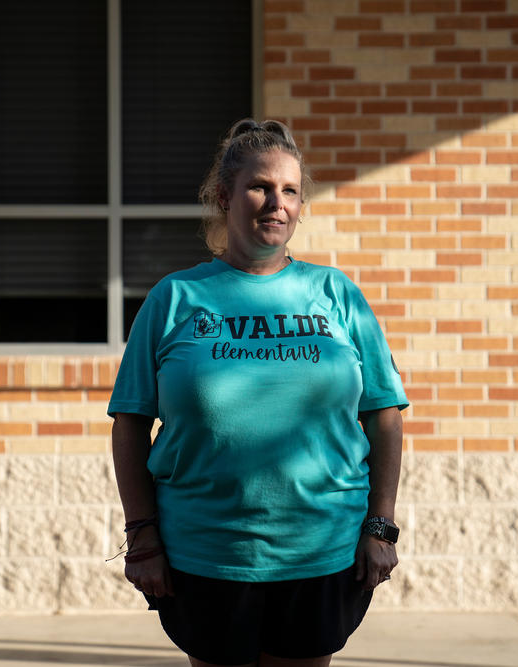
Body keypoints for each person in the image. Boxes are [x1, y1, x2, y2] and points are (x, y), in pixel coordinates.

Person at [108, 118, 408, 667]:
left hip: (322, 549)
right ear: (225, 196)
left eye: (290, 190)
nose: (277, 203)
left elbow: (384, 416)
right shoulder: (175, 298)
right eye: (260, 187)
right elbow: (129, 423)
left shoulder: (336, 294)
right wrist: (143, 537)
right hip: (207, 554)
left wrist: (381, 525)